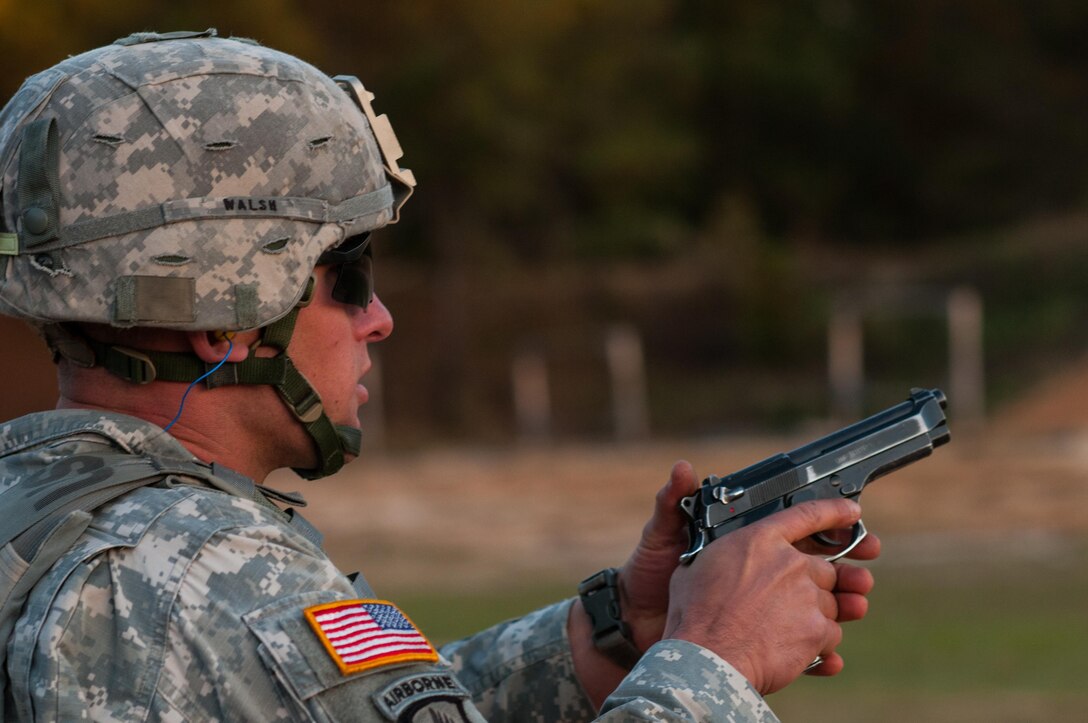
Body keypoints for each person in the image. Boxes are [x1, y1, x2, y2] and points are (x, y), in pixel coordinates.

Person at [0, 31, 879, 721]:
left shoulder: (39, 513)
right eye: (348, 276)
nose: (378, 317)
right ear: (229, 314)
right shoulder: (207, 578)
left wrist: (613, 637)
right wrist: (715, 658)